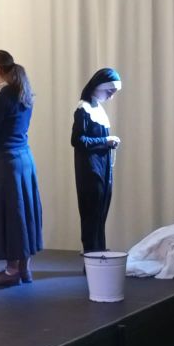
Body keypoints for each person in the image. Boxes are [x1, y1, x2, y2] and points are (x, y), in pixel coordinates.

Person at [0, 49, 43, 286]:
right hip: (24, 159)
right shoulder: (24, 94)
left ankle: (11, 270)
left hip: (6, 161)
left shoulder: (2, 98)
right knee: (23, 213)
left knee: (9, 214)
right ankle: (24, 269)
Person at [72, 68, 122, 253]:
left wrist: (108, 143)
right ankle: (91, 254)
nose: (111, 96)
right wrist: (105, 141)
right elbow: (77, 140)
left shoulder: (97, 109)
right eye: (109, 91)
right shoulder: (83, 109)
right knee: (91, 213)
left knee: (100, 213)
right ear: (98, 86)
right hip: (90, 170)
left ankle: (98, 251)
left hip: (102, 167)